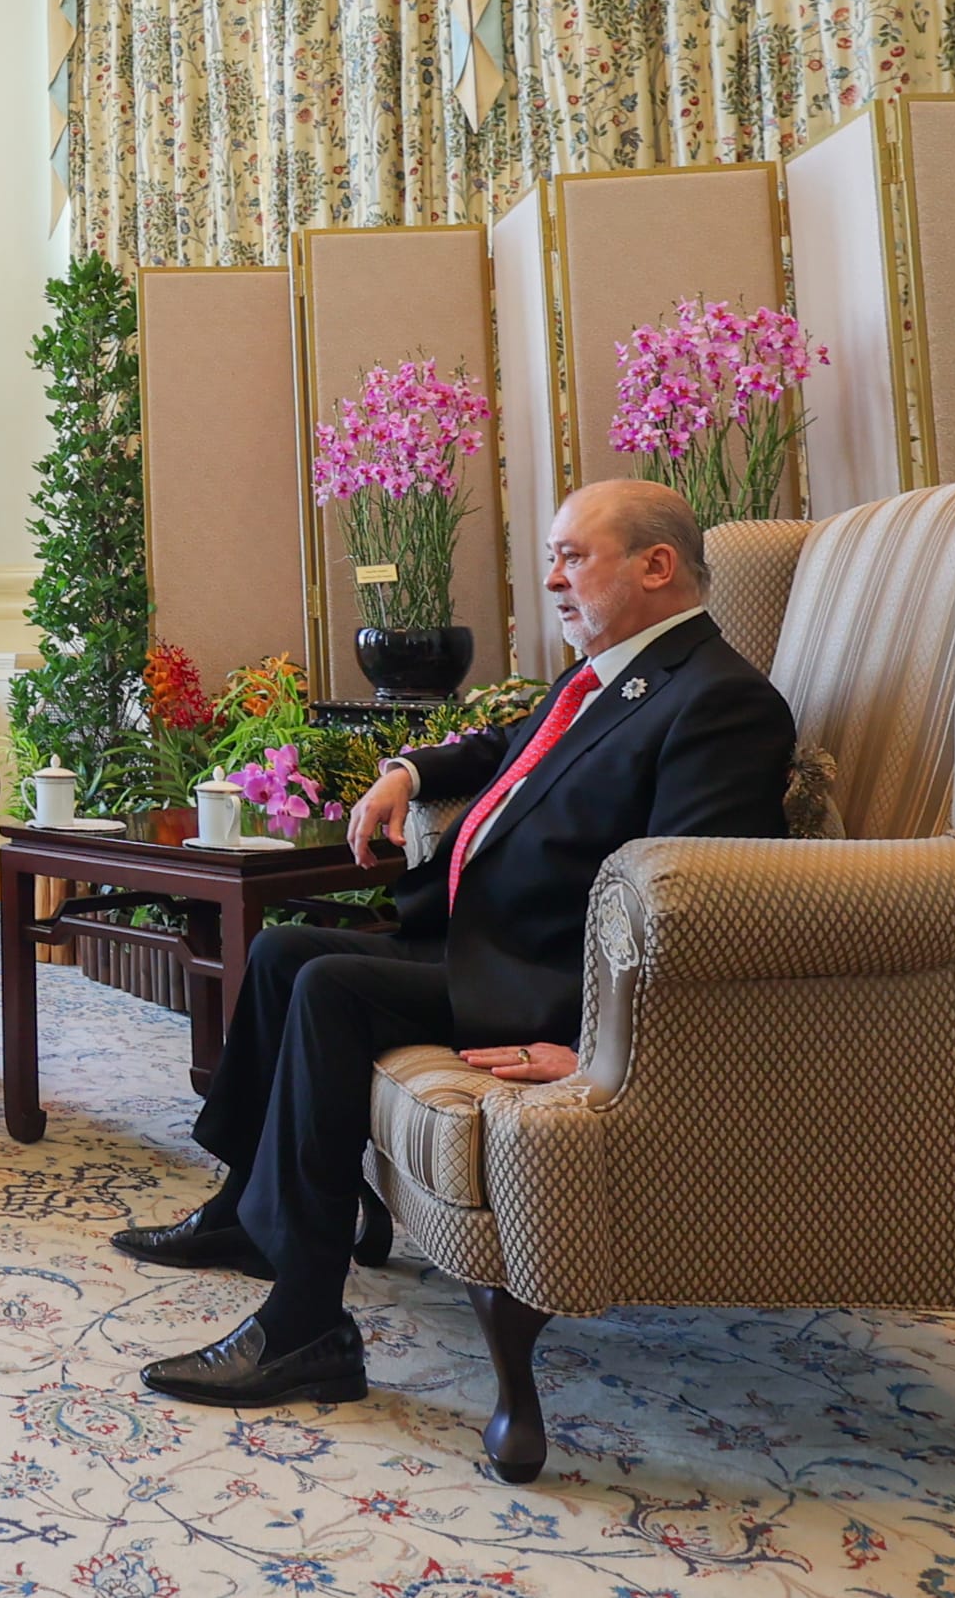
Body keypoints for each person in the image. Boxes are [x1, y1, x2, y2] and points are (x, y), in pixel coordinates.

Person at [121, 476, 795, 1408]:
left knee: (329, 988)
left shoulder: (721, 702)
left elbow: (695, 904)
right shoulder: (605, 675)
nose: (552, 578)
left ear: (656, 565)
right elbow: (508, 745)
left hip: (552, 979)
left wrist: (604, 1045)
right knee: (283, 954)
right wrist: (406, 768)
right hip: (488, 943)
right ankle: (245, 1210)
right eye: (551, 556)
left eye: (572, 556)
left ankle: (306, 1323)